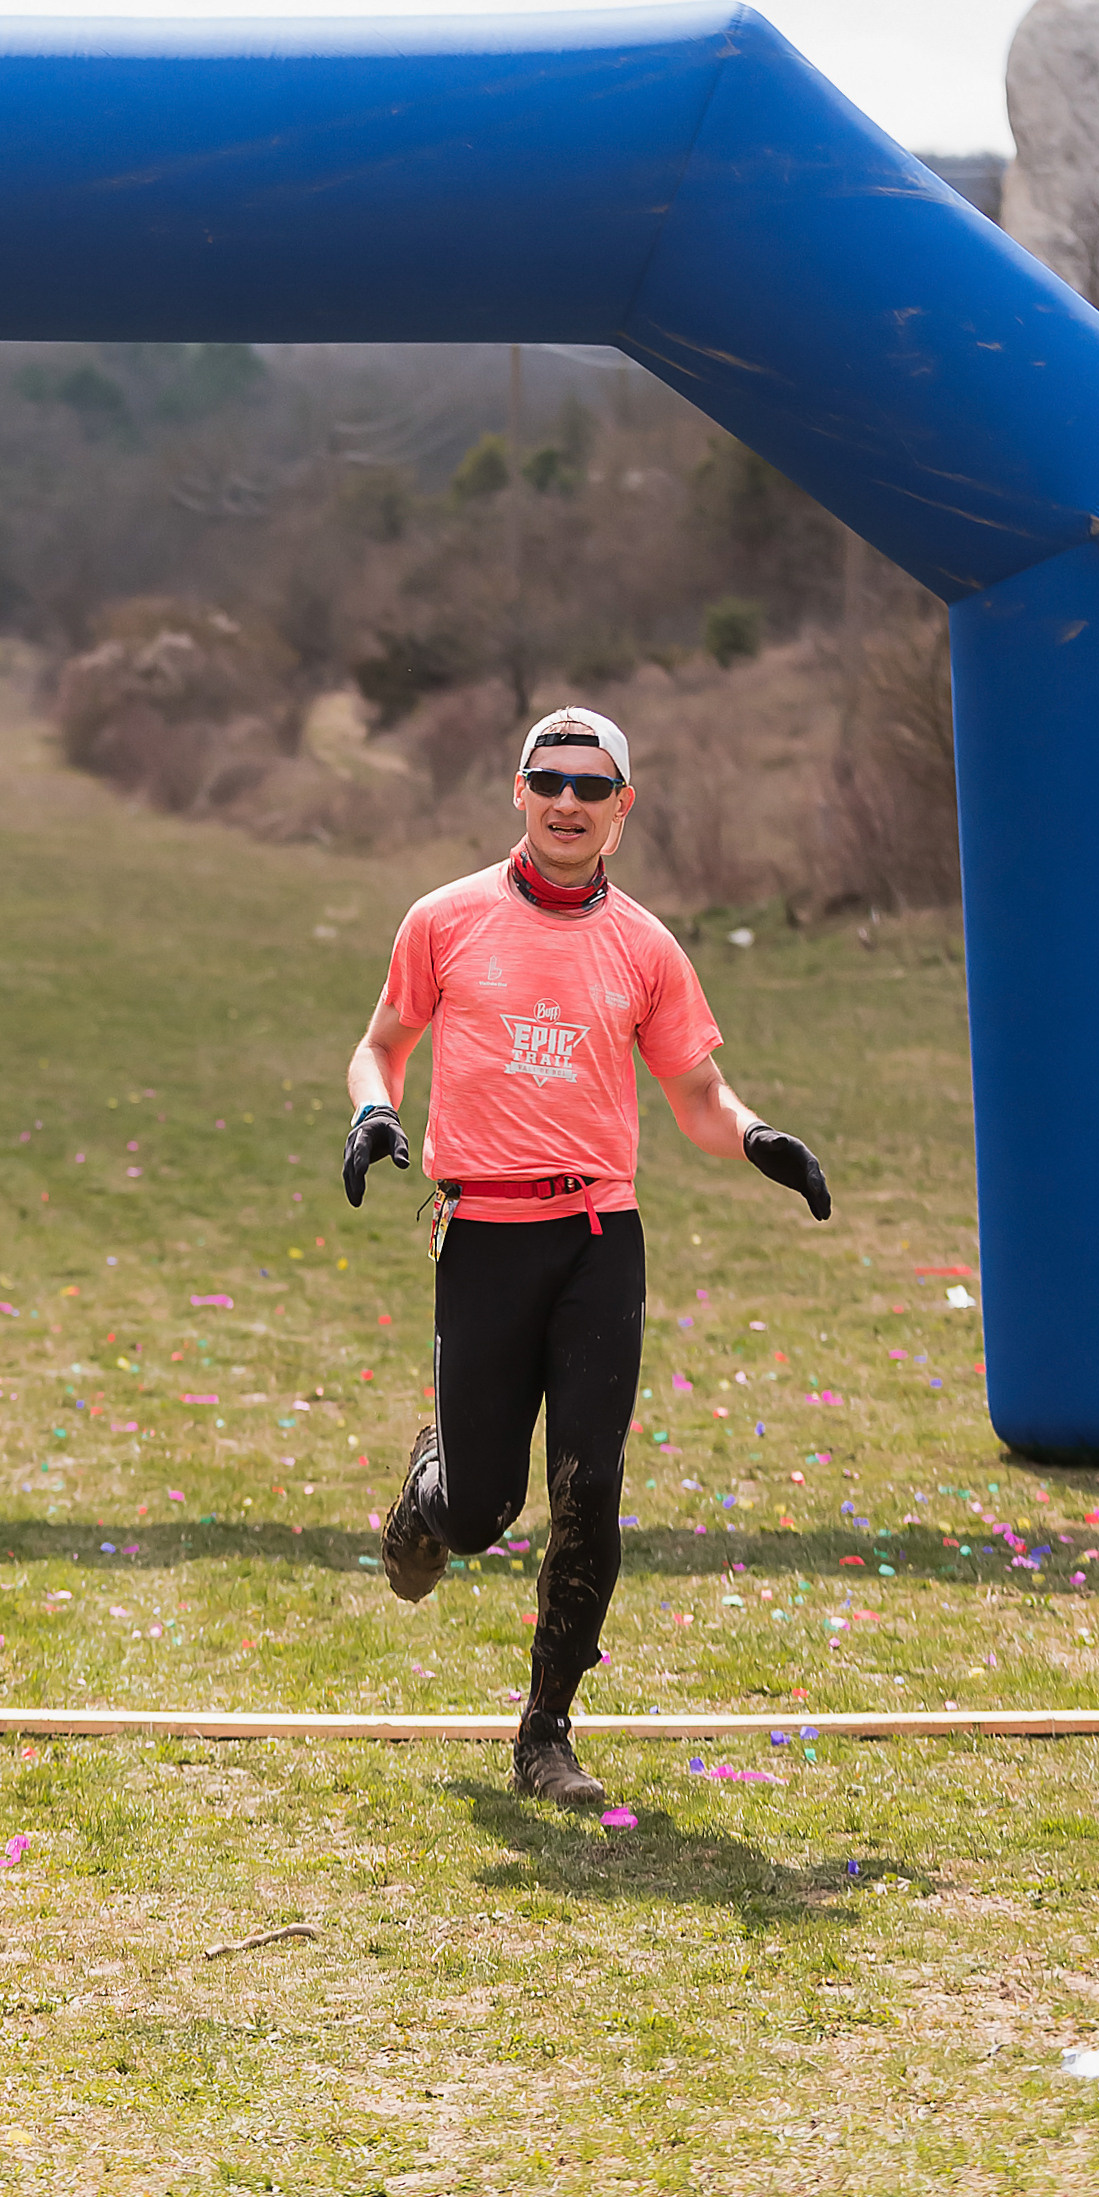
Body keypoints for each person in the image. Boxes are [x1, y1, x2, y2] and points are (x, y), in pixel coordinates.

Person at [342, 706, 831, 1807]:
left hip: (599, 1238)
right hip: (482, 1237)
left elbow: (699, 1096)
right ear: (518, 791)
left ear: (622, 807)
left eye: (591, 786)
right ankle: (430, 1492)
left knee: (589, 1489)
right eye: (548, 780)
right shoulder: (443, 919)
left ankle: (545, 1733)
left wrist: (758, 1138)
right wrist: (374, 1112)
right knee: (481, 1511)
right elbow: (381, 1045)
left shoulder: (646, 947)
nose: (568, 802)